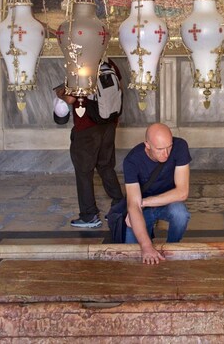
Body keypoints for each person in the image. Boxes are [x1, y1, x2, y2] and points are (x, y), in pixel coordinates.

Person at [54, 58, 125, 228]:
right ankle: (120, 206)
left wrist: (59, 93)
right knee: (106, 166)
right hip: (109, 123)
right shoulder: (109, 62)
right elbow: (118, 88)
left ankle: (89, 215)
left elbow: (71, 99)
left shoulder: (80, 65)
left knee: (84, 172)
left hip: (87, 127)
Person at [123, 123, 191, 265]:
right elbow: (133, 205)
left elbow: (182, 193)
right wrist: (146, 246)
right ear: (147, 145)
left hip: (165, 203)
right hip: (142, 210)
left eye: (169, 147)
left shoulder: (180, 147)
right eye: (160, 149)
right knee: (131, 253)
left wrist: (144, 202)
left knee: (180, 213)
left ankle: (172, 247)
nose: (166, 154)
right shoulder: (132, 160)